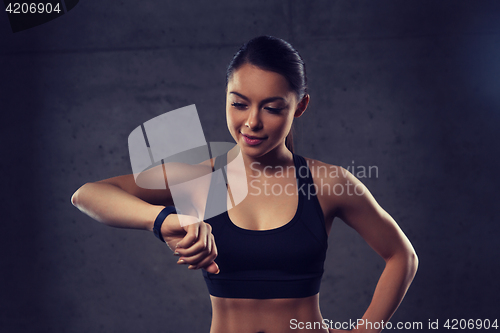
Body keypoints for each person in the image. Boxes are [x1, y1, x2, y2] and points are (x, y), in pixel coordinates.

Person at [71, 36, 418, 333]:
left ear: (299, 107)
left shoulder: (327, 183)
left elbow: (402, 256)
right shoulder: (200, 178)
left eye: (271, 108)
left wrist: (365, 329)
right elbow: (87, 194)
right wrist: (163, 220)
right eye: (239, 104)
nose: (251, 122)